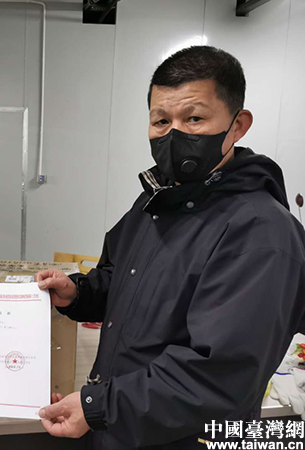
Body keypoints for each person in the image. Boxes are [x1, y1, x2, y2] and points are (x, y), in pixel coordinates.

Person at [36, 46, 305, 449]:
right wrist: (78, 293)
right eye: (161, 120)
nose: (174, 133)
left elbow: (220, 376)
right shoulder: (155, 203)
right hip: (122, 429)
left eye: (194, 118)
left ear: (237, 125)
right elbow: (122, 281)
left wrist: (100, 406)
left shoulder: (260, 233)